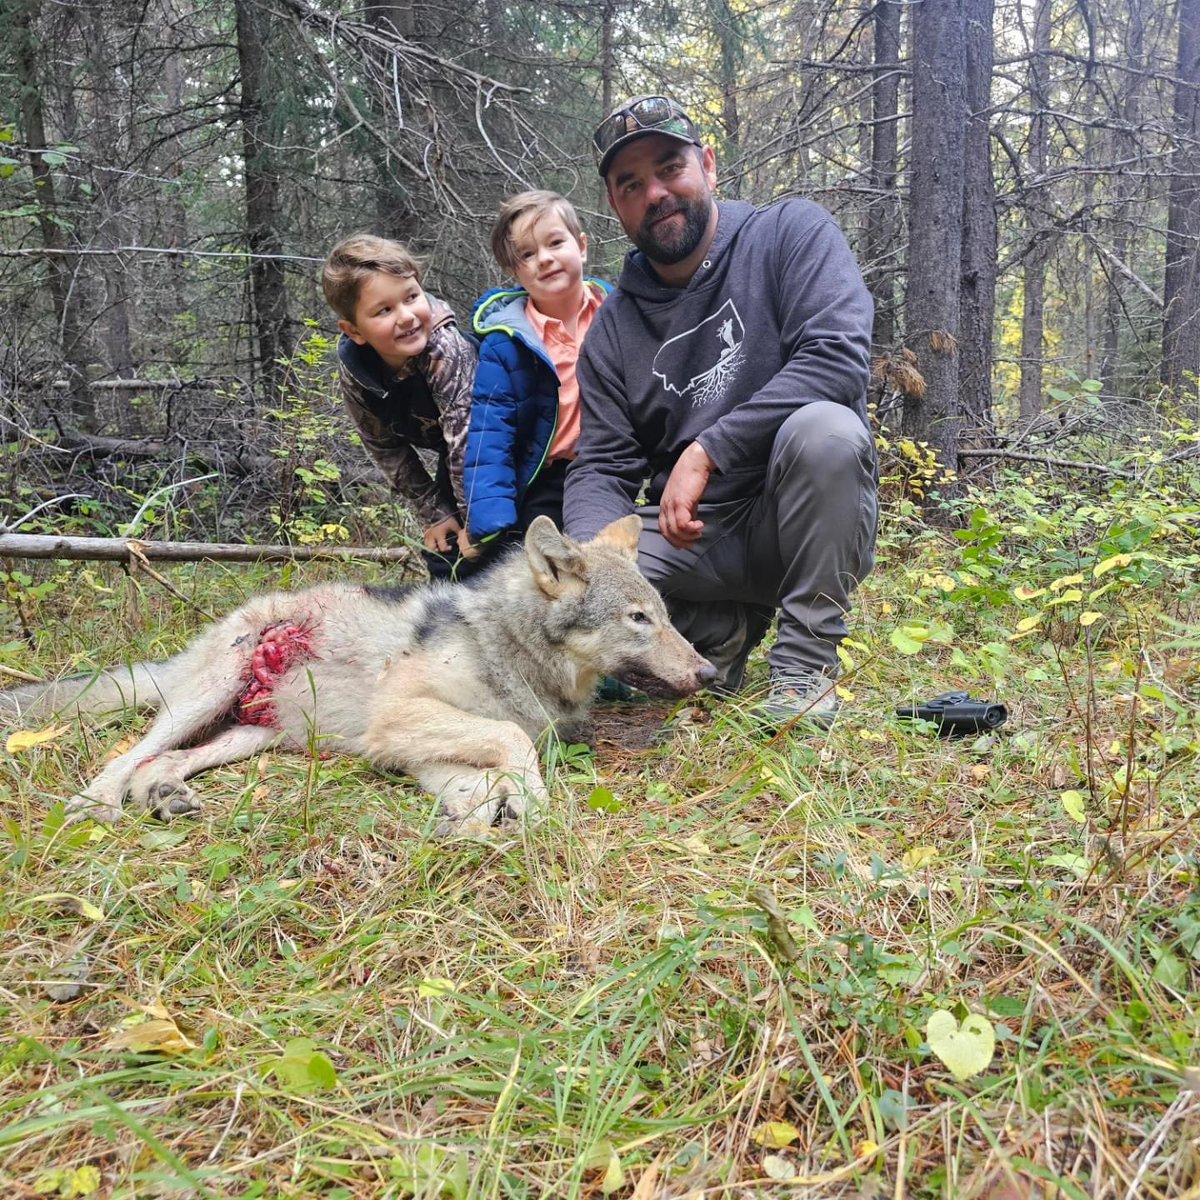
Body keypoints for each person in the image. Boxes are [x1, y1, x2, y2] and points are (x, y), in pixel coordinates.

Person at [565, 95, 878, 726]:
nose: (654, 192)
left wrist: (709, 450)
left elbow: (838, 357)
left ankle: (803, 671)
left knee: (828, 431)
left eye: (669, 168)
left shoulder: (790, 234)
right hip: (694, 538)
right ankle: (719, 629)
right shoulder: (613, 330)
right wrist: (594, 562)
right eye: (631, 184)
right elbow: (600, 463)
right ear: (615, 206)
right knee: (581, 580)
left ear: (708, 165)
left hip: (796, 520)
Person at [460, 191, 610, 558]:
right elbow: (491, 432)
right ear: (515, 272)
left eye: (556, 242)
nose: (544, 258)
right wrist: (489, 518)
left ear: (582, 246)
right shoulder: (507, 341)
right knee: (538, 571)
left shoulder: (617, 313)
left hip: (611, 468)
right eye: (527, 254)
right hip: (545, 474)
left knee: (606, 562)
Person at [322, 234, 479, 580]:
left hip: (498, 442)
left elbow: (467, 442)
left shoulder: (445, 349)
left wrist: (475, 521)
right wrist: (435, 514)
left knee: (490, 547)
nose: (406, 316)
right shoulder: (358, 375)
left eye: (411, 297)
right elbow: (385, 447)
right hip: (453, 453)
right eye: (384, 310)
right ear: (354, 331)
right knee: (445, 556)